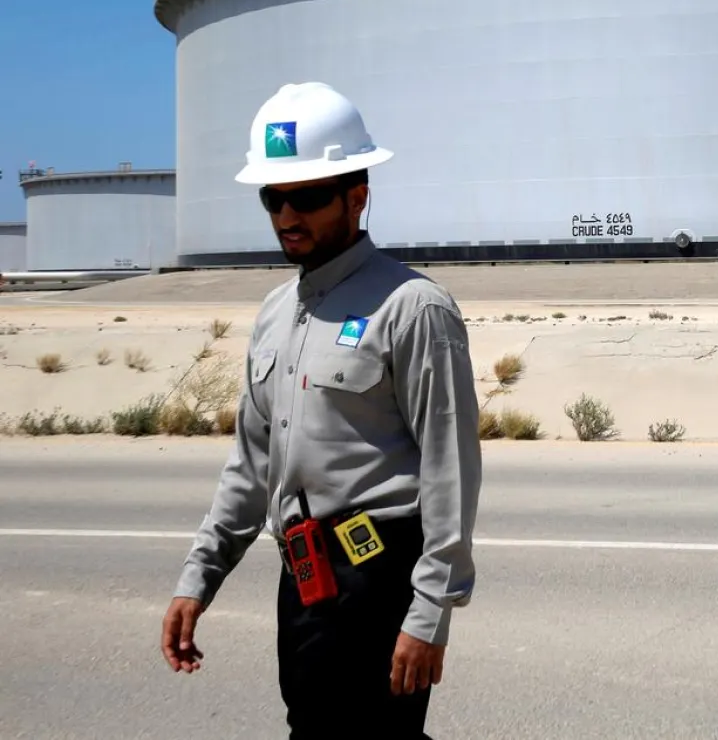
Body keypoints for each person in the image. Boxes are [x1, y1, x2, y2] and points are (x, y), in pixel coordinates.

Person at [160, 82, 483, 739]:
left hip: (380, 576)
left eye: (306, 197)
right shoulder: (276, 315)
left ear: (356, 196)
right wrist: (199, 577)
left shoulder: (413, 307)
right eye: (273, 198)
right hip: (304, 575)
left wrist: (429, 613)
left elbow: (451, 472)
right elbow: (251, 466)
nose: (286, 216)